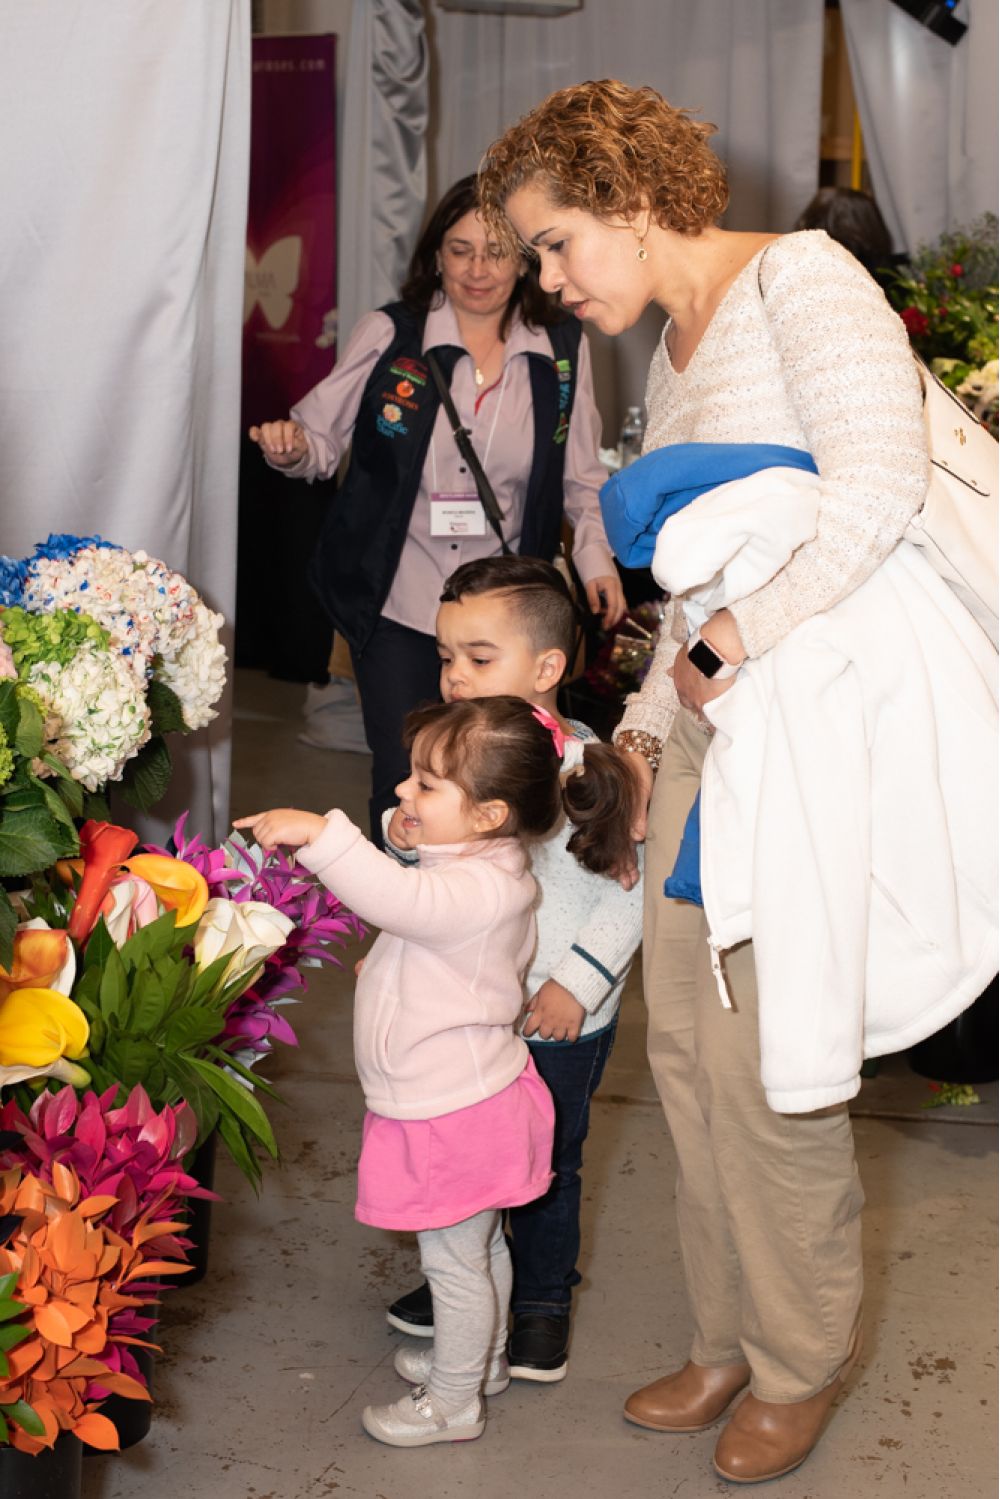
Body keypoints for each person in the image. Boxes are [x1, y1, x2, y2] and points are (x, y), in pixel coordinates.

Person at [477, 80, 934, 1484]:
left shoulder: (804, 278)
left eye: (555, 244)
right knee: (680, 1055)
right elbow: (688, 592)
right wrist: (640, 737)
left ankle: (801, 1357)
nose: (548, 282)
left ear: (626, 200)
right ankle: (726, 1334)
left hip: (797, 748)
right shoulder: (668, 352)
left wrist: (740, 636)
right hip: (701, 744)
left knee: (769, 1067)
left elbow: (882, 484)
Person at [234, 693, 636, 1449]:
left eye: (425, 784)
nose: (402, 792)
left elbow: (397, 897)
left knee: (454, 1263)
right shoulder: (483, 861)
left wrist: (321, 833)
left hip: (451, 1111)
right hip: (466, 1097)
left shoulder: (476, 889)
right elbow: (421, 894)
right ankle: (480, 1361)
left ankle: (453, 1401)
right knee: (480, 1251)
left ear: (488, 814)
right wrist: (410, 826)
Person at [248, 175, 625, 844]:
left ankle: (484, 902)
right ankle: (398, 899)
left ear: (526, 260)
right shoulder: (393, 333)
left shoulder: (561, 348)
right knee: (406, 777)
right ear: (436, 255)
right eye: (460, 250)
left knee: (496, 779)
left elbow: (582, 475)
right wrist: (290, 447)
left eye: (497, 252)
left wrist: (597, 561)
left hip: (502, 618)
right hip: (399, 602)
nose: (478, 270)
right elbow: (320, 440)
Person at [382, 556, 644, 1383]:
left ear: (547, 666)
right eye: (446, 655)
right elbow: (431, 864)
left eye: (479, 656)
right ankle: (470, 1280)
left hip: (556, 1015)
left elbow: (628, 896)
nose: (455, 676)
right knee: (468, 1154)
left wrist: (577, 984)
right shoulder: (450, 754)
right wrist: (404, 832)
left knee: (548, 1164)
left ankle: (539, 1299)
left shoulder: (590, 770)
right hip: (469, 1008)